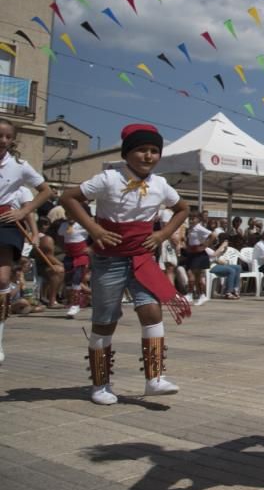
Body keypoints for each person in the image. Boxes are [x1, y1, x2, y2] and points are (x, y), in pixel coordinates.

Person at [60, 124, 190, 404]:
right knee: (105, 322)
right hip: (109, 260)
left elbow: (183, 209)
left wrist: (162, 234)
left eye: (154, 151)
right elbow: (68, 197)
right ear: (127, 153)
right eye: (142, 149)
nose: (148, 156)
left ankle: (154, 379)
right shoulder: (108, 179)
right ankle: (100, 384)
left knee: (153, 311)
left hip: (142, 259)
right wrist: (94, 229)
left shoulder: (160, 184)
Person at [0, 118, 53, 365]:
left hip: (6, 222)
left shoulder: (19, 165)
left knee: (2, 279)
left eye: (7, 137)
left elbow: (46, 191)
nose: (3, 140)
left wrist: (24, 212)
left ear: (12, 140)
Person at [58, 215, 90, 318]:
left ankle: (75, 305)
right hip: (69, 255)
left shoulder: (83, 225)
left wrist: (90, 248)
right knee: (68, 280)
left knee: (77, 278)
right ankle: (71, 301)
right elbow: (60, 236)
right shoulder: (63, 225)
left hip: (80, 255)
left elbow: (93, 234)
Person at [184, 212, 212, 306]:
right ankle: (191, 294)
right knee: (191, 274)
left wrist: (204, 246)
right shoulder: (190, 228)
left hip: (199, 254)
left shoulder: (199, 228)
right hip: (191, 253)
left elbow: (213, 235)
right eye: (190, 218)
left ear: (198, 219)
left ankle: (201, 295)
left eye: (194, 218)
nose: (191, 220)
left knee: (196, 276)